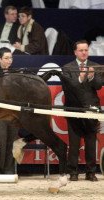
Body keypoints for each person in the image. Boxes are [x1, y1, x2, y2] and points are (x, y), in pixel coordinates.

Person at [61, 40, 102, 182]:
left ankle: (91, 172)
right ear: (75, 52)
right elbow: (70, 87)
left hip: (91, 109)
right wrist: (81, 77)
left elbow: (98, 86)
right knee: (74, 143)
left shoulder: (96, 66)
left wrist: (91, 76)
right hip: (73, 109)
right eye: (81, 50)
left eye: (86, 50)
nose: (84, 52)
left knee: (91, 142)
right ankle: (73, 172)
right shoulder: (67, 68)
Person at [0, 47, 20, 174]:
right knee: (1, 143)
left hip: (13, 114)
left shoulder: (15, 73)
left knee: (12, 142)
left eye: (11, 58)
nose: (9, 61)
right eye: (6, 58)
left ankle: (9, 169)